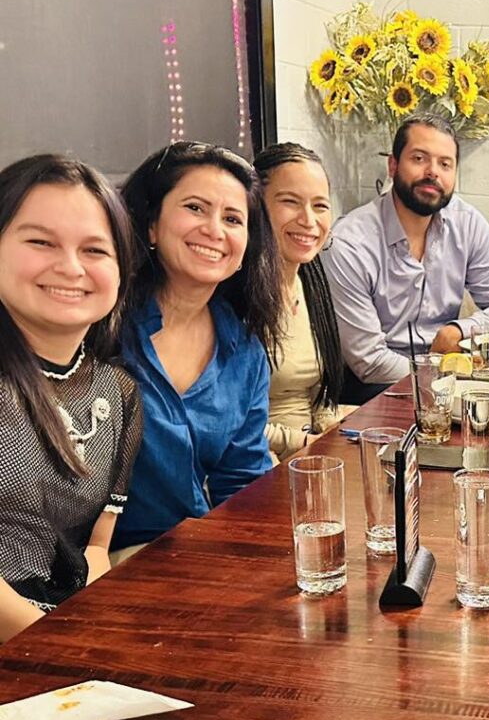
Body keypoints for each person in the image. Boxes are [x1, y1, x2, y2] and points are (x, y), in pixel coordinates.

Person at [0, 154, 142, 642]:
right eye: (41, 242)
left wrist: (94, 629)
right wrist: (63, 646)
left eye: (95, 250)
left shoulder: (117, 392)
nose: (70, 267)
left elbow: (96, 549)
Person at [112, 141, 280, 552]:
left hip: (194, 552)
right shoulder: (103, 326)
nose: (215, 231)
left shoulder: (245, 352)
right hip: (96, 562)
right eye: (195, 208)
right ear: (152, 224)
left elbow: (241, 484)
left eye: (233, 219)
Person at [322, 112, 489, 401]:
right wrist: (444, 379)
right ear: (393, 165)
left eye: (445, 164)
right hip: (374, 393)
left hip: (449, 382)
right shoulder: (349, 243)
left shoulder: (467, 223)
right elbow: (369, 363)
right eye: (419, 159)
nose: (433, 172)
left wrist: (459, 330)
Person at [253, 142, 347, 459]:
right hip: (259, 463)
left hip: (306, 453)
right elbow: (232, 426)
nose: (308, 220)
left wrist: (335, 430)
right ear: (255, 206)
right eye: (290, 202)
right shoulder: (238, 296)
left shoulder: (310, 280)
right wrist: (307, 443)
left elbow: (320, 396)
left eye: (320, 206)